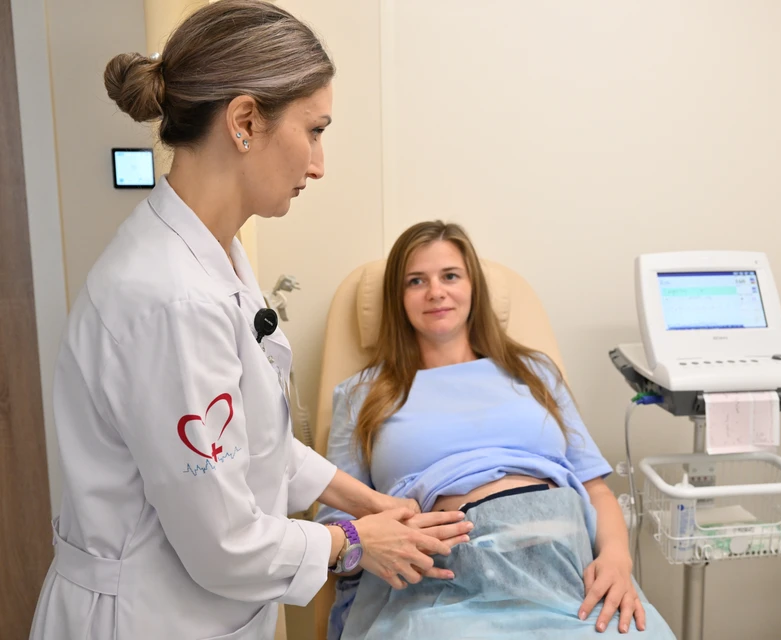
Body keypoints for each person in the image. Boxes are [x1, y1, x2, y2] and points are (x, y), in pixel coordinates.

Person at [29, 3, 470, 639]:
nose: (318, 164)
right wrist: (354, 542)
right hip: (148, 617)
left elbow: (251, 442)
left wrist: (370, 502)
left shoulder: (213, 256)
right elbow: (225, 544)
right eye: (314, 131)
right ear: (244, 122)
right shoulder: (171, 299)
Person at [316, 221, 675, 639]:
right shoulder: (363, 394)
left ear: (474, 287)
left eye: (450, 276)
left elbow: (595, 489)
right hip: (441, 582)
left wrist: (616, 558)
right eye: (416, 281)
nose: (436, 292)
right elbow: (340, 528)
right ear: (397, 297)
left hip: (569, 570)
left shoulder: (534, 371)